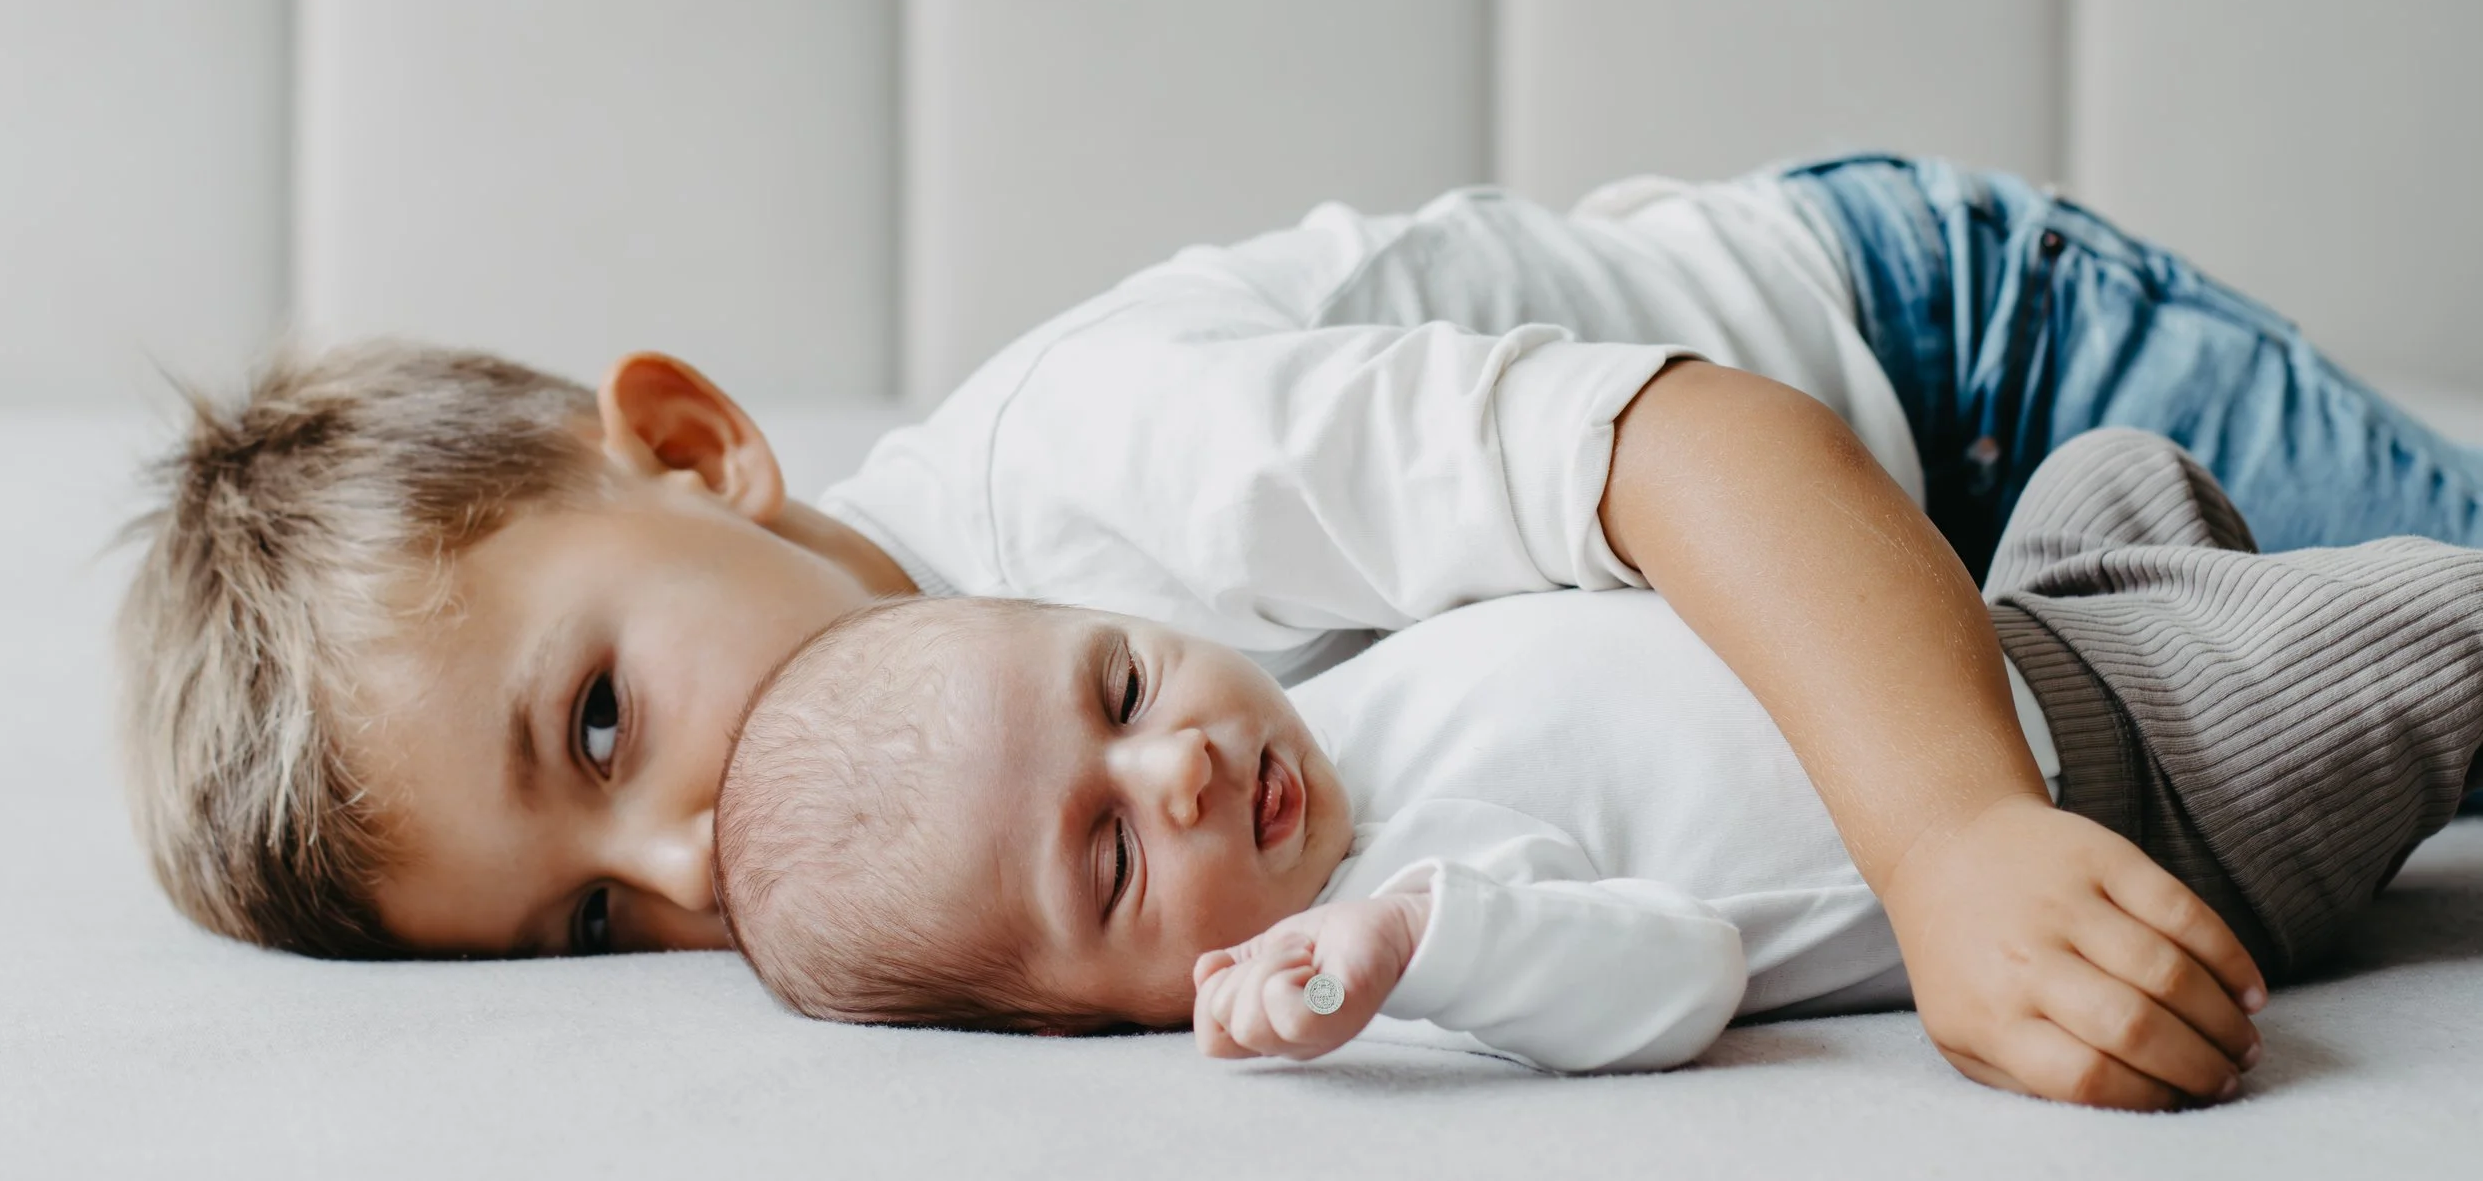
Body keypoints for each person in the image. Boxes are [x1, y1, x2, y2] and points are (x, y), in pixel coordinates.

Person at [112, 154, 2483, 1107]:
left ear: (703, 445)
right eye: (577, 924)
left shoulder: (1107, 464)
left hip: (1949, 375)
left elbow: (1705, 446)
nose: (685, 855)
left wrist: (1953, 834)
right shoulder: (918, 860)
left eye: (602, 715)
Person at [714, 429, 2483, 1106]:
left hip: (2003, 636)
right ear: (1098, 1013)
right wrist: (1421, 951)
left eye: (1118, 680)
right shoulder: (1403, 917)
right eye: (1107, 860)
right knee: (2432, 627)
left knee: (2120, 467)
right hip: (2131, 785)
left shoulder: (1336, 703)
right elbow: (1680, 968)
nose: (1174, 767)